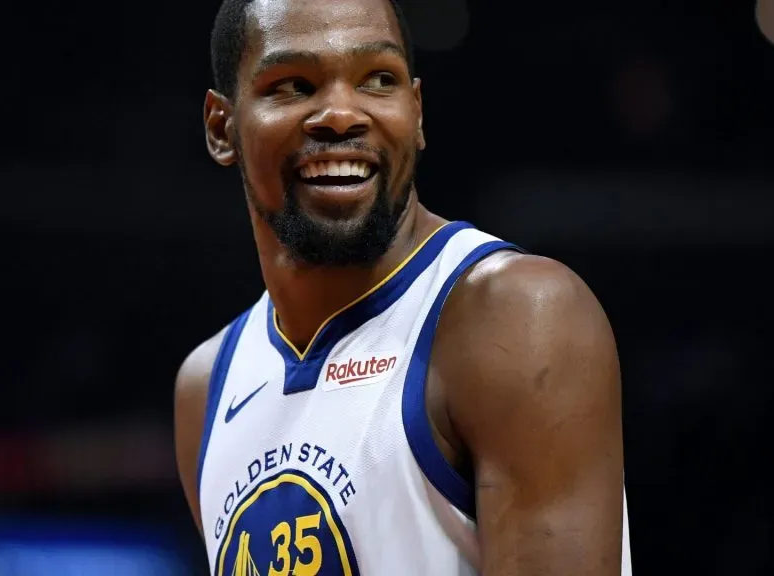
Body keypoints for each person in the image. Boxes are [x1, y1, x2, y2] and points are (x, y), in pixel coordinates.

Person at [173, 0, 632, 573]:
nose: (341, 114)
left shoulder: (515, 316)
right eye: (294, 85)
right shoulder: (206, 387)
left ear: (415, 113)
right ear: (223, 128)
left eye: (378, 80)